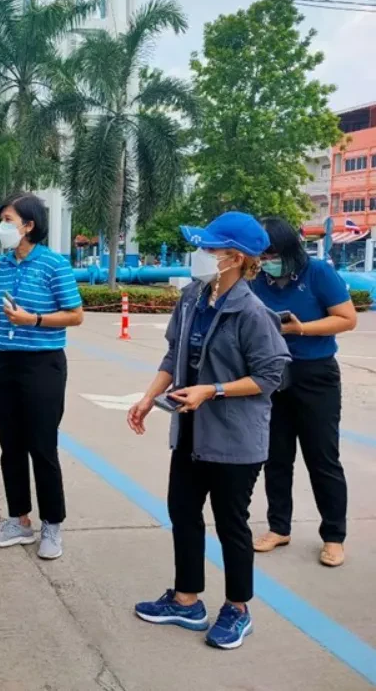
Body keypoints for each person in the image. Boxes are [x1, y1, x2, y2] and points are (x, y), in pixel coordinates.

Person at [127, 211, 290, 650]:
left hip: (235, 439)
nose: (199, 255)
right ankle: (186, 600)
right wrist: (148, 397)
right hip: (190, 432)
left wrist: (212, 391)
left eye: (209, 249)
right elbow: (171, 356)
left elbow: (270, 376)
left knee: (231, 523)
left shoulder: (253, 313)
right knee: (183, 511)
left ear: (234, 258)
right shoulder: (194, 297)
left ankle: (238, 609)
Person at [0, 195, 84, 559]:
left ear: (29, 225)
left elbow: (75, 314)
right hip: (5, 361)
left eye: (8, 220)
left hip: (43, 364)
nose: (2, 227)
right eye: (1, 220)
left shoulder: (54, 264)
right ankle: (18, 520)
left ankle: (52, 524)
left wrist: (33, 319)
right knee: (11, 447)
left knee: (42, 445)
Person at [251, 217, 357, 568]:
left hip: (316, 375)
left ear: (290, 250)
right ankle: (278, 526)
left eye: (272, 254)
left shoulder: (317, 272)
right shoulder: (258, 277)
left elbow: (346, 318)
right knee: (275, 455)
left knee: (322, 458)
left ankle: (333, 536)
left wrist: (302, 329)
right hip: (273, 375)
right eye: (262, 254)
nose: (267, 260)